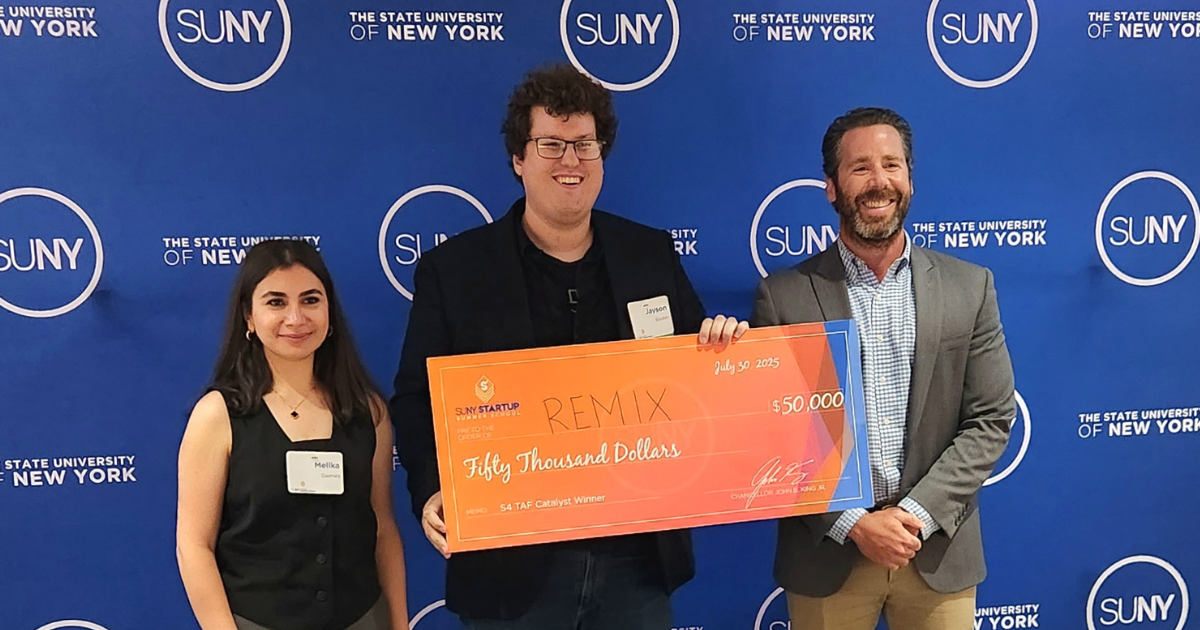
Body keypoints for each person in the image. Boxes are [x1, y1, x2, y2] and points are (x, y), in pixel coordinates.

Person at [390, 63, 743, 630]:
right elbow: (414, 398)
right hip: (511, 563)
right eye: (551, 144)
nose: (571, 161)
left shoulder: (649, 255)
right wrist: (431, 488)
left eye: (585, 144)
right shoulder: (454, 272)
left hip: (636, 561)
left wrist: (726, 353)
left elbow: (694, 378)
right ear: (518, 160)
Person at [750, 107, 1015, 630]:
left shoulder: (971, 287)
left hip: (936, 549)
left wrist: (914, 515)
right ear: (831, 186)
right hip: (829, 556)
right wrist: (853, 524)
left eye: (892, 165)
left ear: (910, 179)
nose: (879, 182)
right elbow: (776, 436)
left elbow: (990, 419)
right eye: (861, 167)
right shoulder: (782, 298)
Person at [177, 240, 410, 630]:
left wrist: (399, 623)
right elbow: (194, 545)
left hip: (361, 618)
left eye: (310, 300)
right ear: (248, 317)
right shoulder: (218, 416)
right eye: (276, 302)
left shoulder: (368, 412)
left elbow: (382, 527)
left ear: (330, 313)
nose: (296, 317)